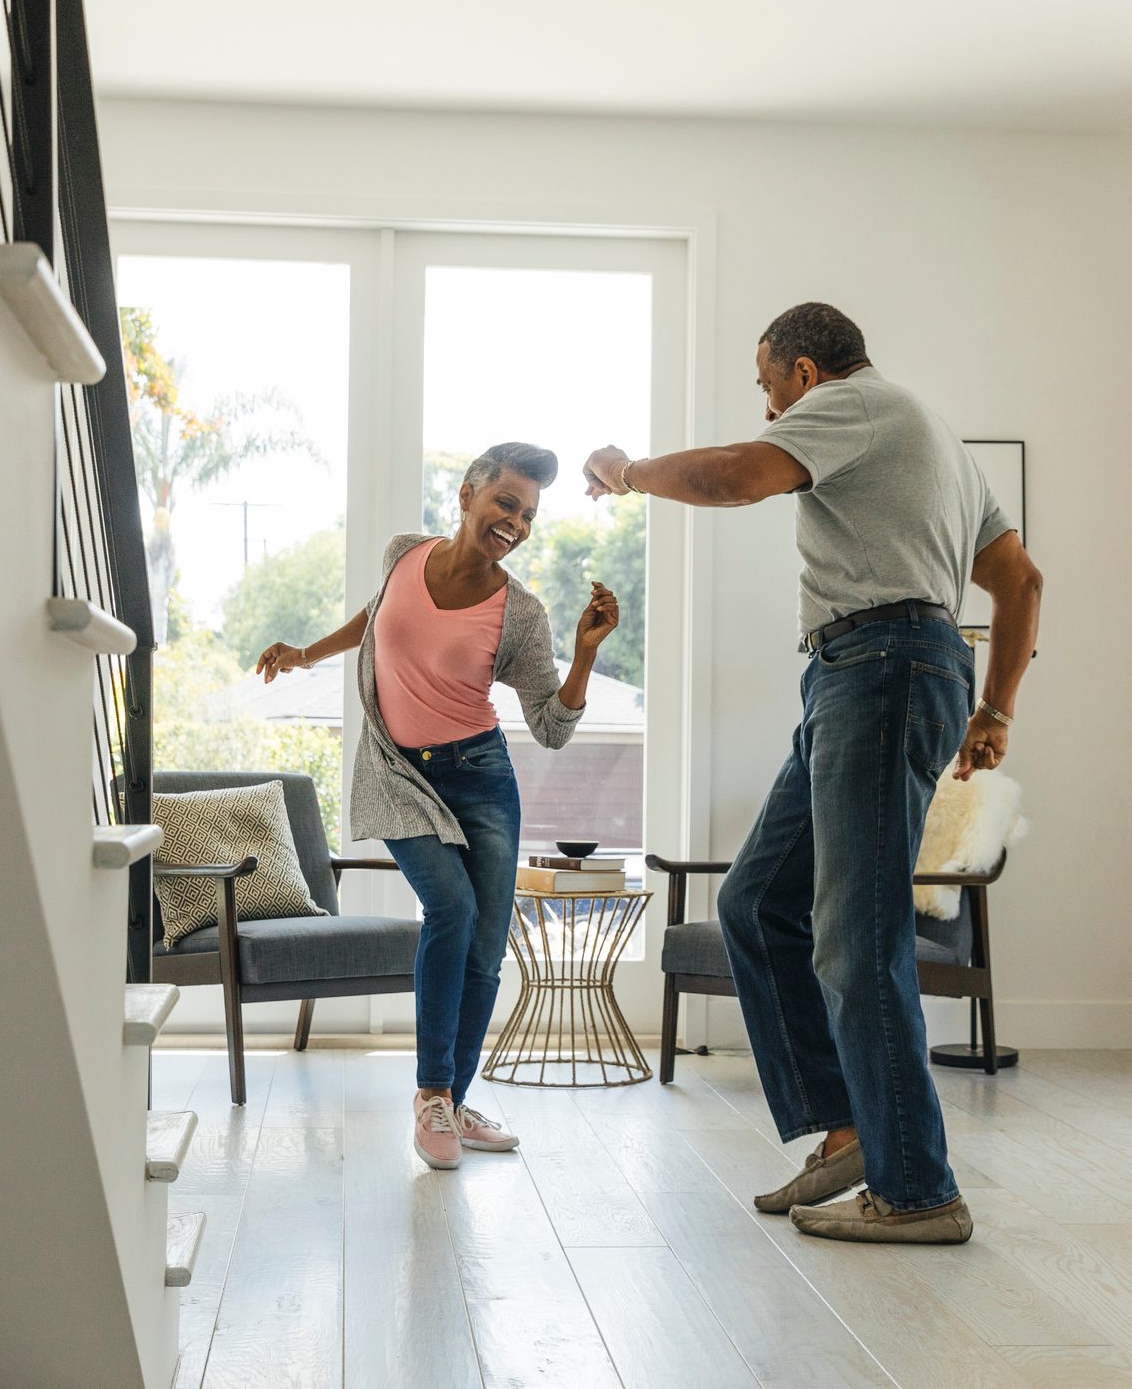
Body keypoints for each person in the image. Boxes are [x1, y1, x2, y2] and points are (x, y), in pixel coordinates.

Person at [583, 303, 1043, 1244]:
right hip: (865, 671)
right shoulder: (941, 445)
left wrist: (628, 473)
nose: (765, 408)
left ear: (802, 371)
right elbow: (1019, 581)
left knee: (855, 935)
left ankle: (918, 1189)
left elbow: (734, 478)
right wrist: (993, 709)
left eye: (764, 385)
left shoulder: (855, 404)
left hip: (881, 666)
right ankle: (850, 1131)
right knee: (756, 901)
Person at [254, 442, 620, 1171]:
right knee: (450, 909)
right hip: (396, 772)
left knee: (485, 950)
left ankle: (452, 1102)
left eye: (527, 514)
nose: (514, 522)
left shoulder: (520, 613)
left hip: (480, 777)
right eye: (504, 503)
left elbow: (550, 726)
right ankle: (430, 1097)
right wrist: (306, 655)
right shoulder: (403, 555)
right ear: (467, 494)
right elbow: (376, 615)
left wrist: (583, 654)